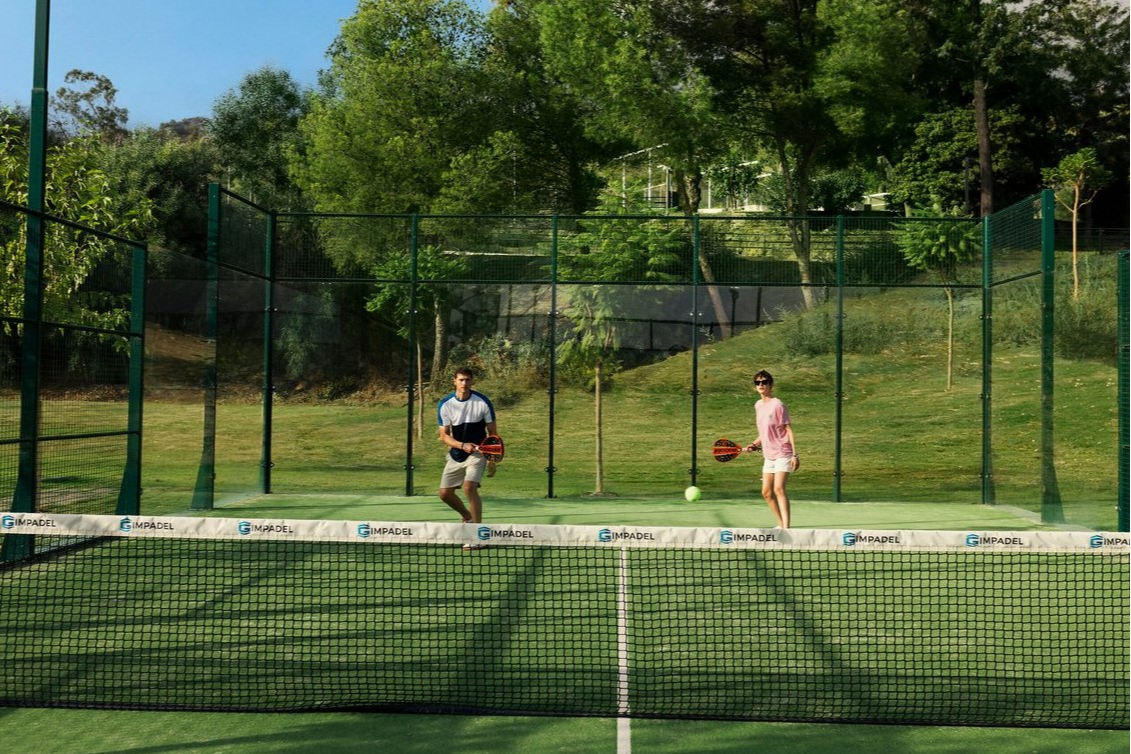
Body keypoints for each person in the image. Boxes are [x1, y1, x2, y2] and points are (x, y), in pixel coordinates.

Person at [437, 367, 497, 547]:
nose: (464, 383)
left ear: (472, 382)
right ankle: (467, 517)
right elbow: (444, 436)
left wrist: (492, 459)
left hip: (479, 453)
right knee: (445, 493)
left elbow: (493, 434)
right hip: (456, 454)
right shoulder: (445, 404)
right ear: (454, 381)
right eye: (461, 380)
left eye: (468, 380)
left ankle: (479, 535)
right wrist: (462, 446)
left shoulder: (483, 402)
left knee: (469, 488)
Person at [745, 370, 798, 529]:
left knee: (779, 489)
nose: (761, 385)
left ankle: (786, 528)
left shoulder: (778, 405)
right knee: (767, 493)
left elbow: (788, 430)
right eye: (757, 382)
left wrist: (795, 455)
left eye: (764, 382)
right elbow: (763, 432)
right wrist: (754, 444)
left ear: (770, 384)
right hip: (769, 456)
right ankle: (780, 524)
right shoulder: (758, 405)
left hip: (783, 453)